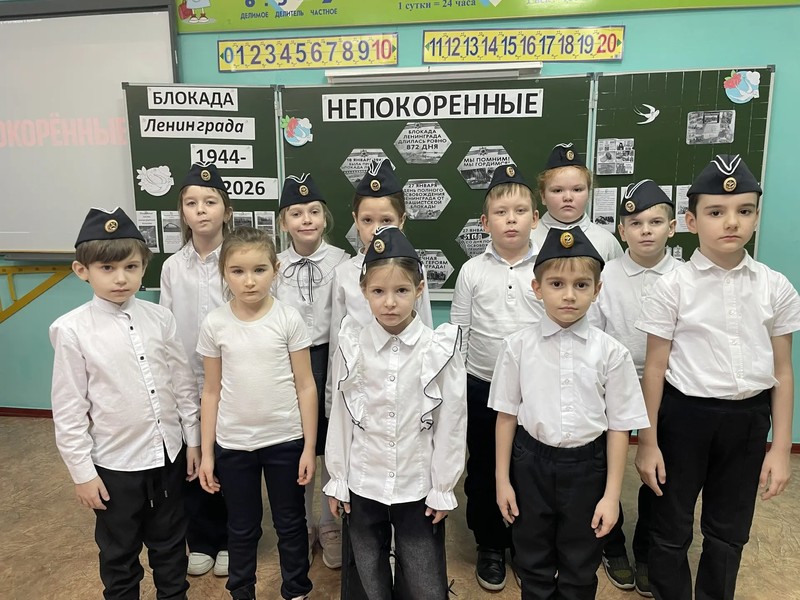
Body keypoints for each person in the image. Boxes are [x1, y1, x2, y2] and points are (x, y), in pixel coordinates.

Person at [635, 154, 800, 600]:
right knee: (670, 526)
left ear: (757, 216)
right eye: (715, 212)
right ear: (691, 221)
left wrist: (780, 448)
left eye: (744, 210)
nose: (731, 222)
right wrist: (647, 441)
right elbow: (655, 368)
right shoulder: (672, 286)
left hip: (748, 420)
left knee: (729, 530)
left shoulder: (775, 286)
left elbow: (783, 371)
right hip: (683, 418)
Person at [50, 207, 200, 600]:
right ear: (82, 270)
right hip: (116, 465)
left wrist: (193, 441)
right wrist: (82, 473)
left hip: (167, 457)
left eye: (131, 267)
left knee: (172, 546)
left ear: (143, 267)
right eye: (107, 268)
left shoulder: (160, 318)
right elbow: (68, 411)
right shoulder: (71, 330)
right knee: (119, 555)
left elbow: (182, 384)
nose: (120, 278)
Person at [492, 226, 649, 599]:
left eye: (581, 285)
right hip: (530, 464)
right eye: (556, 284)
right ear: (537, 288)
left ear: (597, 290)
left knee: (580, 564)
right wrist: (502, 481)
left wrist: (611, 496)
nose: (568, 295)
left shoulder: (612, 353)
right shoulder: (517, 348)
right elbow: (506, 416)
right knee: (532, 561)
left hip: (587, 467)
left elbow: (619, 428)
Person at [324, 225, 467, 600]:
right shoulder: (352, 345)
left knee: (423, 579)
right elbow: (341, 417)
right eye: (378, 292)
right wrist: (338, 478)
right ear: (364, 291)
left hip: (416, 485)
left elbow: (451, 423)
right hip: (363, 481)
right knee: (365, 579)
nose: (390, 302)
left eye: (401, 291)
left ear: (419, 289)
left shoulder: (438, 349)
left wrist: (442, 487)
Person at [197, 227, 317, 600]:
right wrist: (206, 453)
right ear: (223, 272)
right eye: (237, 271)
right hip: (234, 444)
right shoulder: (215, 323)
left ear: (275, 269)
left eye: (259, 270)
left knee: (290, 522)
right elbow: (211, 391)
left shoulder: (288, 318)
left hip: (285, 440)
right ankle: (241, 590)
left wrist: (308, 447)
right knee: (242, 525)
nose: (249, 281)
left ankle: (295, 589)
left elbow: (306, 386)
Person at [450, 163, 543, 591]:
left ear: (535, 218)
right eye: (501, 213)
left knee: (530, 471)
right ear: (485, 222)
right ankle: (489, 543)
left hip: (534, 389)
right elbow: (461, 331)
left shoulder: (546, 267)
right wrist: (458, 386)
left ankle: (525, 545)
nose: (511, 220)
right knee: (485, 469)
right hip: (482, 385)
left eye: (520, 211)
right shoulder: (472, 271)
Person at [589, 179, 680, 597]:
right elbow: (593, 335)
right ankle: (611, 545)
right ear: (621, 230)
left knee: (660, 471)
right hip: (613, 385)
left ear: (672, 227)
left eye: (655, 222)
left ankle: (647, 551)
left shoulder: (684, 276)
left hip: (670, 386)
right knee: (603, 467)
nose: (646, 231)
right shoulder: (605, 276)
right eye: (636, 223)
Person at [273, 173, 349, 569]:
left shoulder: (343, 262)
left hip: (331, 359)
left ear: (325, 218)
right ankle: (302, 523)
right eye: (297, 213)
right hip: (288, 363)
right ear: (283, 221)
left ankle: (329, 523)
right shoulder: (274, 265)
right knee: (297, 445)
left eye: (314, 211)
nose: (307, 220)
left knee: (331, 442)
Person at [160, 162, 232, 578]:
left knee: (229, 459)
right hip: (188, 378)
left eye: (210, 201)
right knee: (193, 456)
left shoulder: (239, 260)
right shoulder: (173, 267)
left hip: (232, 378)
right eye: (191, 203)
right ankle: (201, 539)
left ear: (226, 210)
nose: (201, 210)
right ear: (182, 212)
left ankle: (231, 539)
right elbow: (167, 327)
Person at [329, 157, 433, 366]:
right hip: (359, 369)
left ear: (401, 220)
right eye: (367, 220)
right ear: (355, 220)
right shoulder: (343, 272)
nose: (376, 229)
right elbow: (337, 339)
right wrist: (334, 385)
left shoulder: (414, 267)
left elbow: (425, 325)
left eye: (386, 220)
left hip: (405, 366)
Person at [532, 142, 624, 262]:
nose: (568, 197)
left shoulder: (607, 242)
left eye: (577, 190)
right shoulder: (527, 238)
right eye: (557, 190)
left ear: (588, 193)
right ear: (543, 196)